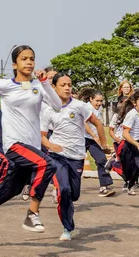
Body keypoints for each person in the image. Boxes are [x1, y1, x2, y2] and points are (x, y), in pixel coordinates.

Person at [0, 45, 62, 233]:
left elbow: (57, 106)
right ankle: (32, 214)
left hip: (32, 146)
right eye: (24, 59)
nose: (29, 62)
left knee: (14, 187)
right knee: (48, 165)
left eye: (32, 58)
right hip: (14, 144)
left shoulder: (38, 86)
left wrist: (45, 81)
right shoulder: (5, 85)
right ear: (14, 64)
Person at [41, 73, 108, 240]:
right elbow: (41, 135)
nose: (67, 88)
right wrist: (51, 146)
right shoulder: (48, 110)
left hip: (77, 156)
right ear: (55, 87)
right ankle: (67, 227)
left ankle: (66, 205)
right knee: (64, 190)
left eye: (69, 84)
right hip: (58, 156)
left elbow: (98, 123)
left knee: (74, 194)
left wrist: (104, 144)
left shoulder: (80, 106)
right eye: (63, 85)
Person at [80, 88, 115, 197]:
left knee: (102, 160)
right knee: (76, 164)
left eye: (101, 101)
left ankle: (104, 187)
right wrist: (94, 135)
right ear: (91, 99)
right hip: (81, 138)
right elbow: (84, 123)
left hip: (92, 140)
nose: (99, 103)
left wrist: (101, 141)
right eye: (97, 101)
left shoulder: (99, 109)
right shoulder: (86, 107)